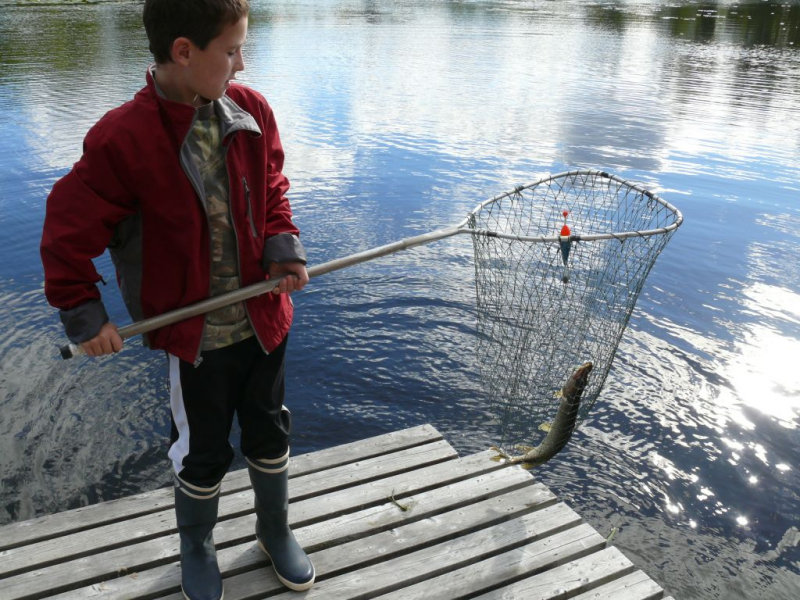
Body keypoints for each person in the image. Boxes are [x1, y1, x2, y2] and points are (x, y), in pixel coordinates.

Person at [39, 0, 314, 597]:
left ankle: (274, 529)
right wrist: (85, 315)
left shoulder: (253, 111)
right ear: (184, 51)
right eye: (232, 51)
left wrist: (282, 249)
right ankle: (197, 544)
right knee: (201, 450)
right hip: (196, 341)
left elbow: (272, 188)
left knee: (269, 431)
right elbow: (66, 230)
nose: (242, 63)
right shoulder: (124, 138)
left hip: (264, 318)